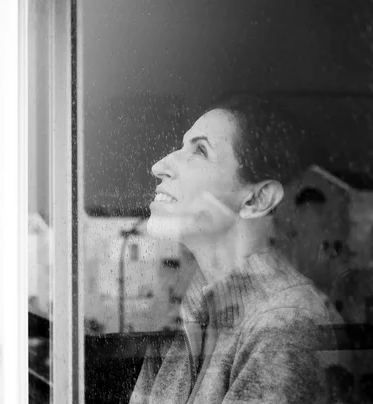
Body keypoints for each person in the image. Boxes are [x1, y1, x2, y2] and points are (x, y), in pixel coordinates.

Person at [130, 95, 337, 403]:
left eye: (200, 150)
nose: (159, 166)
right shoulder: (191, 310)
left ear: (256, 200)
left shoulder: (286, 323)